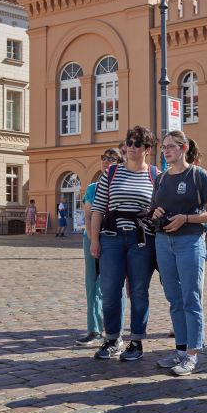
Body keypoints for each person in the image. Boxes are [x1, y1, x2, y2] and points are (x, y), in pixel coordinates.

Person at [152, 131, 207, 376]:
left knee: (191, 298)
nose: (166, 151)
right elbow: (153, 209)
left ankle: (192, 354)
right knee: (174, 298)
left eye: (171, 146)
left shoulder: (198, 175)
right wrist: (155, 213)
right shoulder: (161, 178)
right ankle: (180, 351)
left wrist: (186, 218)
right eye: (164, 147)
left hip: (190, 241)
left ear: (184, 148)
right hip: (163, 242)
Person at [90, 125, 159, 362]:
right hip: (112, 238)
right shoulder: (111, 173)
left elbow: (161, 208)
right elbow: (98, 209)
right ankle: (112, 339)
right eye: (129, 143)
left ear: (147, 149)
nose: (131, 147)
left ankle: (136, 341)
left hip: (141, 240)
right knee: (110, 290)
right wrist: (94, 240)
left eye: (137, 144)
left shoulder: (155, 175)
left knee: (139, 291)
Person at [76, 148, 126, 347]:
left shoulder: (123, 186)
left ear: (120, 163)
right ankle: (94, 329)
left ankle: (117, 331)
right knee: (93, 284)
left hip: (116, 239)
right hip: (93, 238)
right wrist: (93, 240)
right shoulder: (93, 188)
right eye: (104, 158)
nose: (106, 161)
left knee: (117, 285)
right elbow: (88, 216)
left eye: (112, 158)